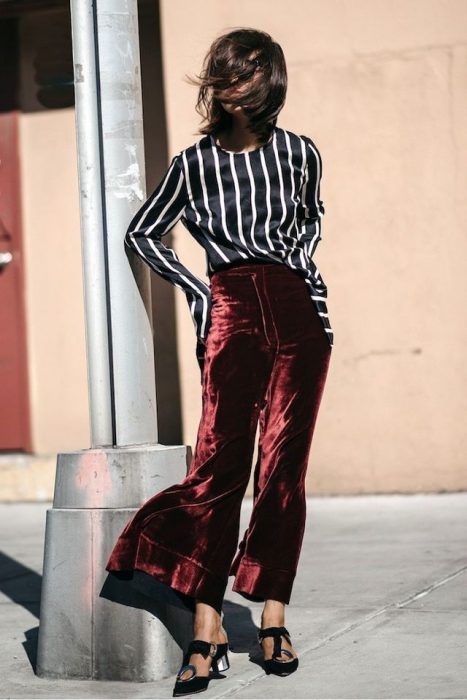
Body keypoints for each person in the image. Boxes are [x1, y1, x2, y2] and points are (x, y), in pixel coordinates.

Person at [105, 27, 333, 696]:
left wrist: (306, 282)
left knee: (283, 470)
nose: (247, 86)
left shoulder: (298, 152)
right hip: (231, 308)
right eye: (236, 73)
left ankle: (271, 615)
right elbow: (143, 232)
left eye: (260, 75)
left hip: (296, 312)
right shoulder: (193, 164)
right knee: (217, 472)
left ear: (273, 84)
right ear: (217, 81)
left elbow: (311, 218)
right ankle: (206, 624)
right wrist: (202, 293)